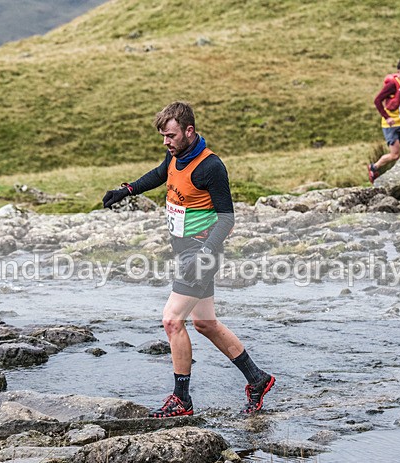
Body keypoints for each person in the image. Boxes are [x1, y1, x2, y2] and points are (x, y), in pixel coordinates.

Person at [102, 102, 275, 417]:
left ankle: (181, 399)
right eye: (163, 137)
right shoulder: (175, 155)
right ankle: (257, 378)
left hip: (201, 253)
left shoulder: (211, 167)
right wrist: (127, 190)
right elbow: (159, 174)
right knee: (205, 323)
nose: (166, 142)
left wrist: (206, 254)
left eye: (171, 135)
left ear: (189, 131)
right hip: (187, 252)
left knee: (172, 320)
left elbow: (226, 219)